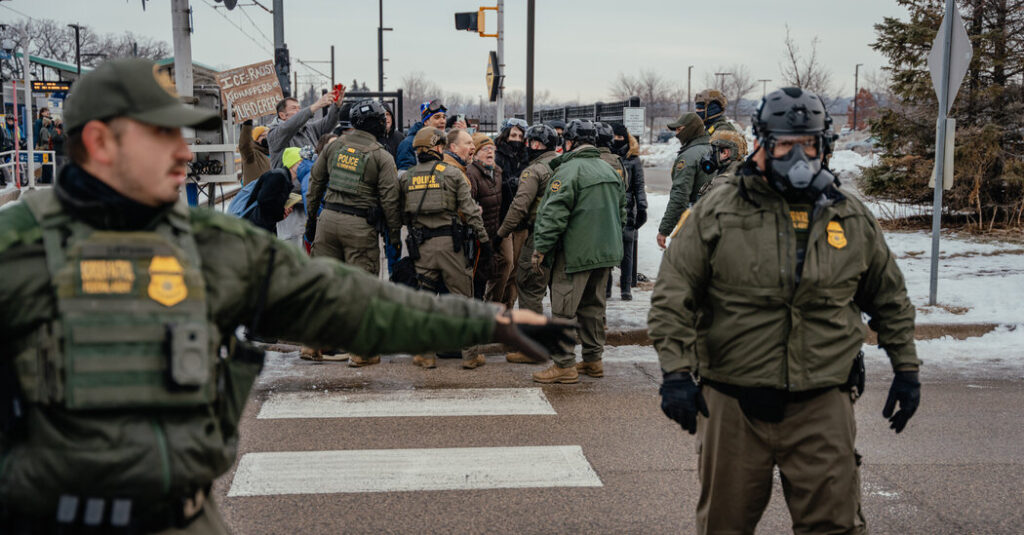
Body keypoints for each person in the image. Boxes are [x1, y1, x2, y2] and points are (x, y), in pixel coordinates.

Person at [0, 58, 575, 534]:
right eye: (162, 134)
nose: (184, 151)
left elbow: (352, 304)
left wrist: (487, 321)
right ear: (101, 141)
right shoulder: (14, 252)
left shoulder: (212, 246)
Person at [648, 87, 920, 535]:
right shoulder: (717, 211)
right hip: (734, 405)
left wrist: (906, 368)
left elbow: (889, 297)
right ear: (762, 143)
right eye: (784, 144)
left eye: (808, 144)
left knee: (835, 526)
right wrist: (676, 373)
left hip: (822, 404)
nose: (798, 155)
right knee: (724, 526)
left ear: (824, 145)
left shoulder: (849, 216)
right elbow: (672, 298)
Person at [304, 100, 404, 366]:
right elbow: (390, 200)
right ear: (377, 124)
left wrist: (312, 221)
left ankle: (313, 344)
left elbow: (315, 184)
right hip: (359, 227)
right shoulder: (382, 156)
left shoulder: (334, 146)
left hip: (328, 221)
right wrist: (394, 236)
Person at [530, 119, 626, 384]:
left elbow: (553, 215)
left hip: (574, 255)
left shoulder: (568, 171)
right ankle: (594, 360)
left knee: (563, 309)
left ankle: (564, 365)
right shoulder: (609, 170)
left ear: (569, 142)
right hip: (605, 253)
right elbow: (622, 211)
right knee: (594, 308)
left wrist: (540, 249)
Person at [401, 127, 493, 370]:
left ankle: (426, 355)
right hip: (451, 246)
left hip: (421, 248)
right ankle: (470, 356)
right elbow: (471, 212)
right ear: (439, 148)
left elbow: (398, 213)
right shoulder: (452, 174)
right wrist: (485, 241)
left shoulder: (407, 177)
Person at [498, 123, 560, 363]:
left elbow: (520, 205)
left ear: (535, 144)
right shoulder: (563, 166)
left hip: (537, 235)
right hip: (561, 236)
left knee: (529, 287)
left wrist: (502, 232)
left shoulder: (534, 170)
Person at [656, 112, 711, 249]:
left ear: (691, 129)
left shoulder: (688, 157)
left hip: (695, 223)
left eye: (680, 130)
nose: (676, 134)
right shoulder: (713, 150)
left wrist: (664, 230)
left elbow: (680, 196)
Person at [267, 84, 345, 170]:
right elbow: (290, 125)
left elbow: (328, 123)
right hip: (288, 182)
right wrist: (317, 105)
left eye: (299, 108)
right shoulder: (275, 134)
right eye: (294, 108)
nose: (298, 111)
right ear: (282, 115)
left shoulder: (309, 129)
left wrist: (337, 106)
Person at [610, 122, 647, 300]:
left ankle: (626, 288)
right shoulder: (607, 156)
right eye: (614, 137)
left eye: (620, 137)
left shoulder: (633, 159)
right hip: (608, 207)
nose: (617, 140)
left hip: (627, 208)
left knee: (627, 249)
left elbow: (639, 185)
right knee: (608, 249)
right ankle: (606, 288)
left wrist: (642, 207)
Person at [465, 132, 503, 299]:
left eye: (492, 148)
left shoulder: (497, 172)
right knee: (478, 279)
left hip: (493, 232)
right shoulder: (472, 173)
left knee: (491, 272)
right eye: (485, 149)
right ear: (476, 153)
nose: (490, 152)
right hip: (478, 237)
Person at [245, 147, 301, 235]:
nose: (304, 166)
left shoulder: (284, 178)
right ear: (292, 163)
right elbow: (264, 200)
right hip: (257, 228)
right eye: (300, 162)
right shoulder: (279, 177)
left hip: (263, 227)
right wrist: (280, 212)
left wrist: (283, 209)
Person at [395, 99, 447, 170]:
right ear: (425, 122)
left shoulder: (447, 142)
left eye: (444, 117)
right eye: (437, 117)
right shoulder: (408, 144)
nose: (442, 121)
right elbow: (404, 176)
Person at [697, 128, 749, 198]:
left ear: (725, 153)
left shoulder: (720, 183)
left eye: (712, 151)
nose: (709, 155)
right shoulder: (746, 176)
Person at [238, 120, 271, 185]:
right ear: (256, 139)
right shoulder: (251, 155)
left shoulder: (273, 153)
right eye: (263, 135)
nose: (266, 138)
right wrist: (247, 125)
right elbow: (244, 145)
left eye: (268, 135)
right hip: (255, 193)